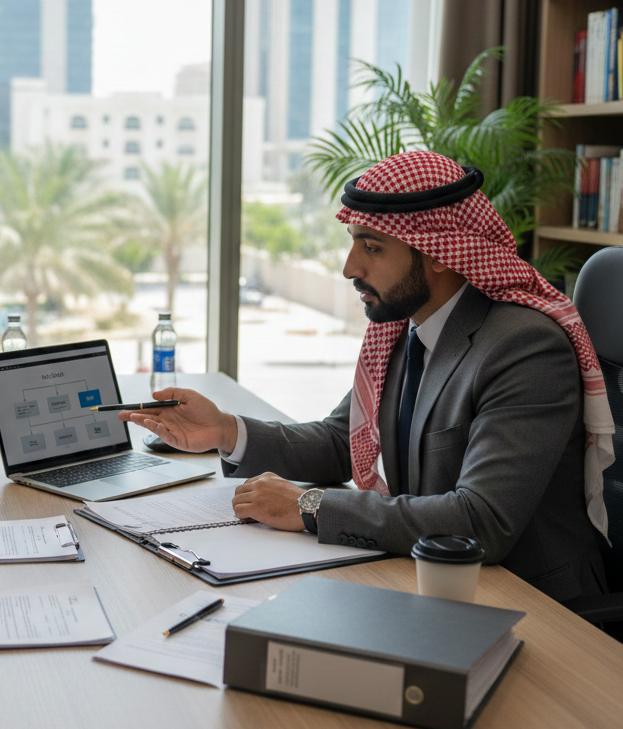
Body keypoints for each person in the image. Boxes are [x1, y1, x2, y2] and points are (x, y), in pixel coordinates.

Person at [123, 151, 614, 602]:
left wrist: (310, 504)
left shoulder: (524, 347)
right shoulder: (408, 324)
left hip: (529, 601)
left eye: (371, 248)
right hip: (426, 580)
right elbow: (345, 440)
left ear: (441, 252)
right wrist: (226, 432)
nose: (348, 267)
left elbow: (480, 520)